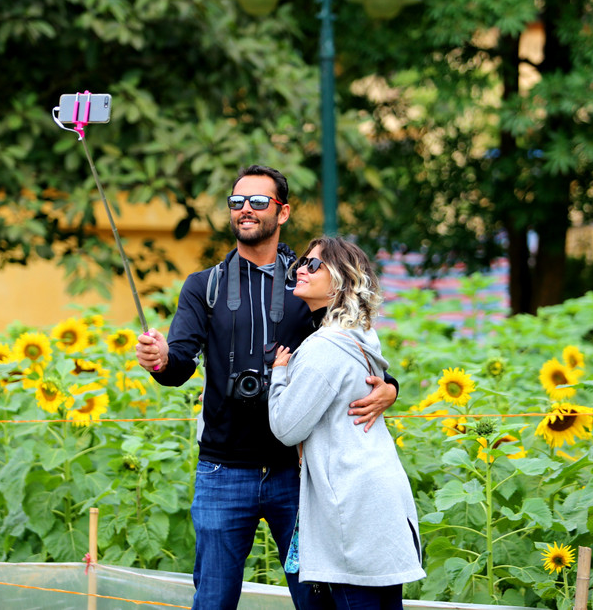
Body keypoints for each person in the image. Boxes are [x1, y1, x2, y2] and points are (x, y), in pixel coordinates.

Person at [134, 165, 399, 610]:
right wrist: (160, 359)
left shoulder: (308, 281)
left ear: (283, 212)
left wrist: (389, 386)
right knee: (213, 600)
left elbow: (352, 343)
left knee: (315, 599)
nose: (246, 209)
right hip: (222, 469)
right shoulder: (204, 286)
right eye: (237, 202)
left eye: (259, 201)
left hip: (296, 472)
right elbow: (178, 364)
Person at [269, 237, 425, 609]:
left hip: (352, 507)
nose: (301, 270)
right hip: (378, 499)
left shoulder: (324, 347)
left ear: (340, 281)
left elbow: (287, 428)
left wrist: (279, 375)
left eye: (313, 265)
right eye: (301, 263)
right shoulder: (361, 337)